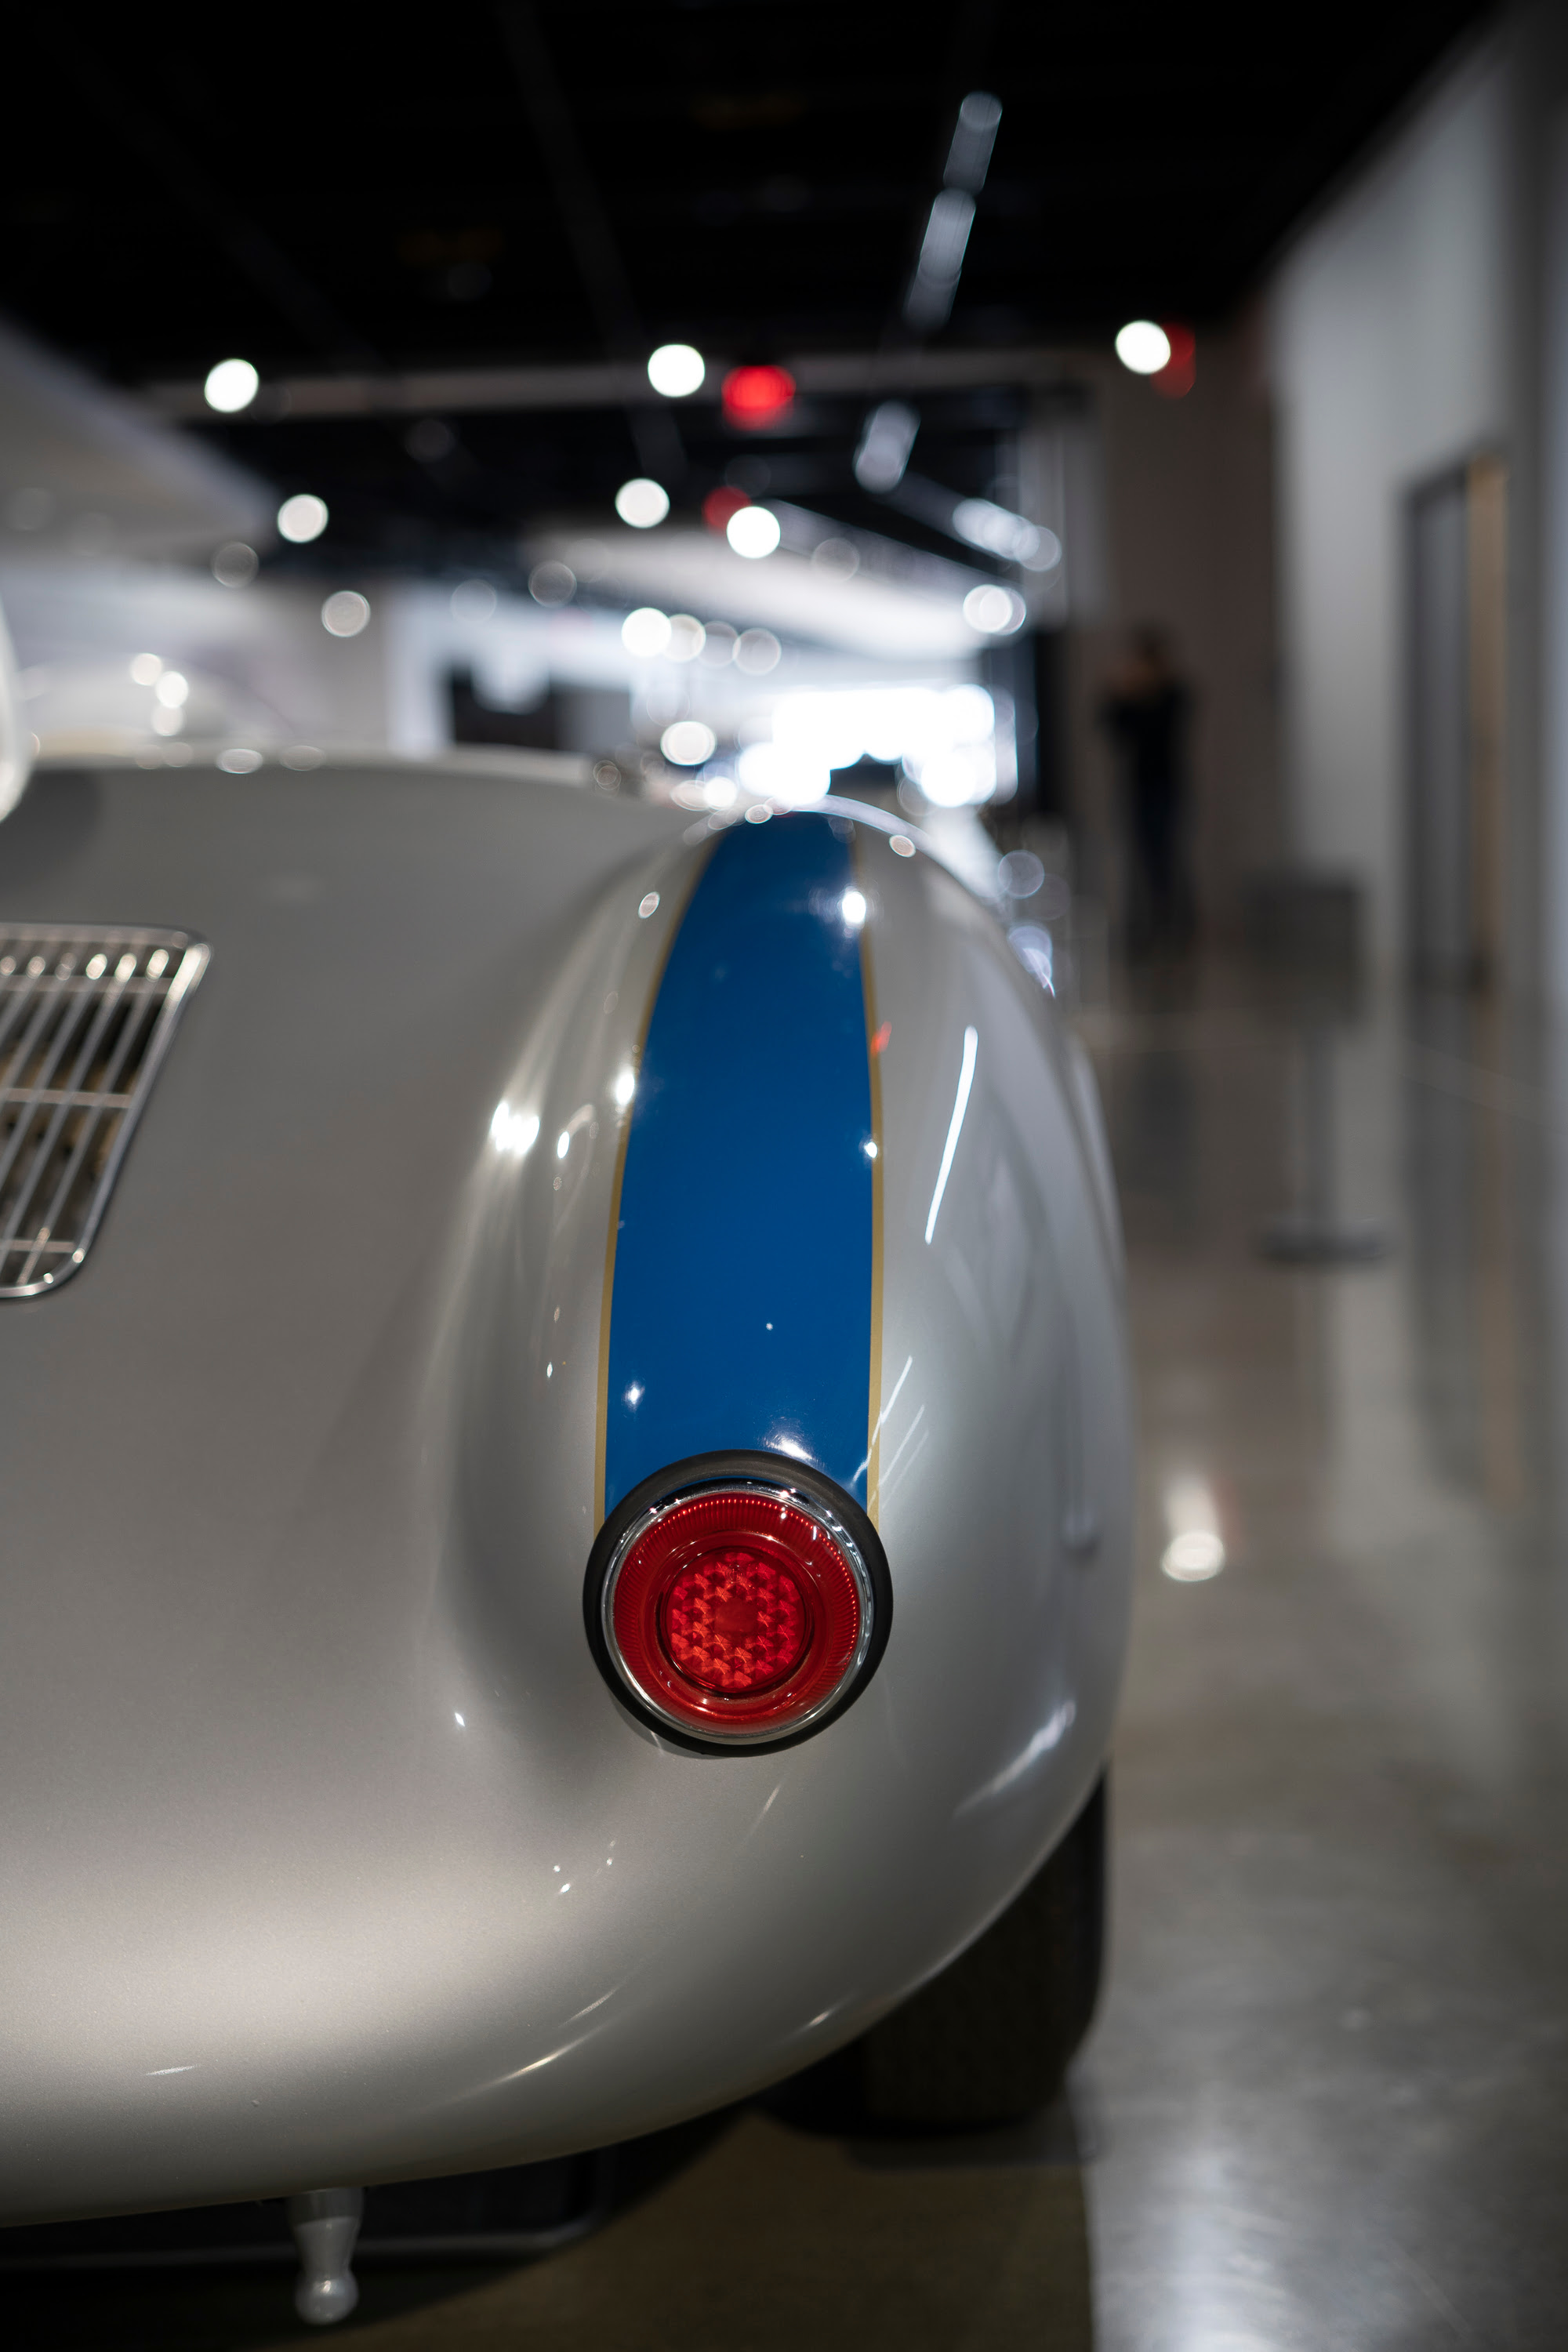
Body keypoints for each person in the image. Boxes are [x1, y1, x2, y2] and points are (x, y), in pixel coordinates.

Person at [1098, 626, 1194, 954]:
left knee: (1165, 858)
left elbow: (1164, 726)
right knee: (1139, 858)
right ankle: (1145, 928)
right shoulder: (1132, 696)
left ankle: (1171, 927)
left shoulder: (1173, 693)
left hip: (1166, 785)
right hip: (1138, 786)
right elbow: (1110, 726)